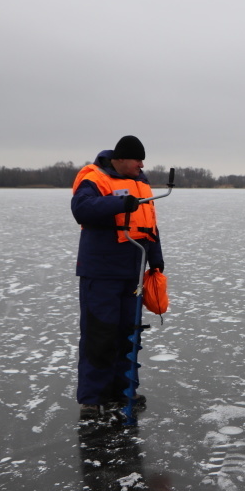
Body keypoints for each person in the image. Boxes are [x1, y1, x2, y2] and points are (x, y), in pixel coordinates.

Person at [71, 135, 165, 419]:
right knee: (100, 335)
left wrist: (156, 260)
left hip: (132, 273)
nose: (142, 163)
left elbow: (149, 225)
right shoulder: (94, 178)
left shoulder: (142, 181)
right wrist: (119, 204)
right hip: (101, 272)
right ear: (120, 159)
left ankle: (122, 390)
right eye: (137, 158)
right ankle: (92, 399)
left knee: (128, 334)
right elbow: (82, 209)